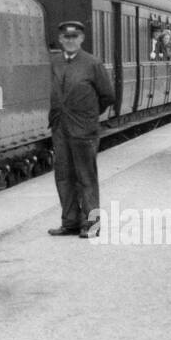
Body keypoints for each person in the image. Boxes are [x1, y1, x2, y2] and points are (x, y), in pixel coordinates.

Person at [48, 20, 115, 238]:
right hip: (61, 128)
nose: (70, 41)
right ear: (60, 39)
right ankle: (70, 222)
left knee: (86, 178)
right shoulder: (56, 62)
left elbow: (108, 96)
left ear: (81, 39)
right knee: (64, 177)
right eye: (66, 37)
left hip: (84, 129)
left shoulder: (92, 63)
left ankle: (92, 224)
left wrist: (88, 116)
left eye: (74, 37)